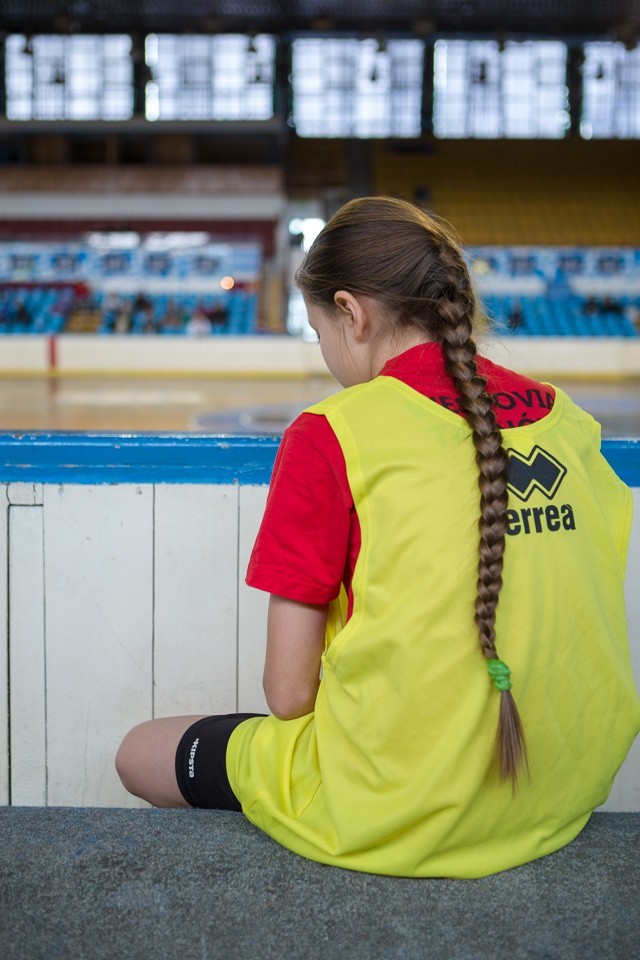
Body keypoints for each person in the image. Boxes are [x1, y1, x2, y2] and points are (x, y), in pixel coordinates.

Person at [116, 197, 640, 878]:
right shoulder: (568, 422)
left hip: (394, 800)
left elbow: (289, 696)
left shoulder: (334, 433)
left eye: (320, 331)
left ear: (351, 314)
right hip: (566, 785)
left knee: (138, 751)